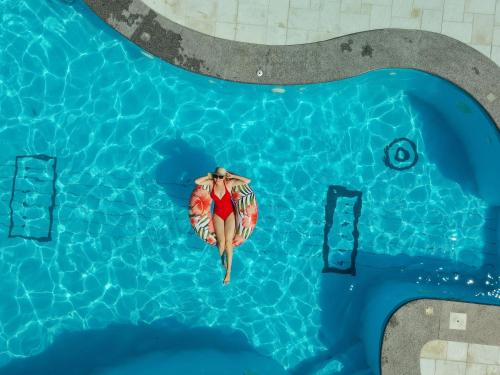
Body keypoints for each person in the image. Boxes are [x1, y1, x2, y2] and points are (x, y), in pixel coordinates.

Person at [194, 167, 251, 284]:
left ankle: (228, 271)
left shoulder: (229, 184)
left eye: (221, 177)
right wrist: (210, 176)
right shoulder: (211, 183)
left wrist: (233, 176)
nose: (218, 179)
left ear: (225, 177)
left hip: (229, 214)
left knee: (228, 241)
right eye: (216, 176)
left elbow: (247, 181)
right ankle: (222, 261)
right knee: (221, 242)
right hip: (217, 215)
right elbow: (197, 182)